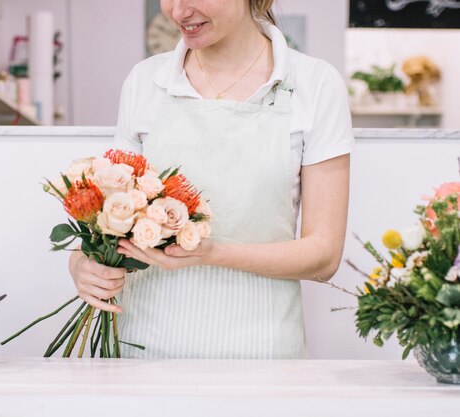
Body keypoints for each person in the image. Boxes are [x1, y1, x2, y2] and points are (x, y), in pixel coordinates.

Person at [69, 0, 353, 359]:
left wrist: (214, 253)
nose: (177, 11)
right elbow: (105, 221)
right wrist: (82, 266)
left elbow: (324, 256)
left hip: (262, 358)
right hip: (142, 352)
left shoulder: (314, 84)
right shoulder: (146, 81)